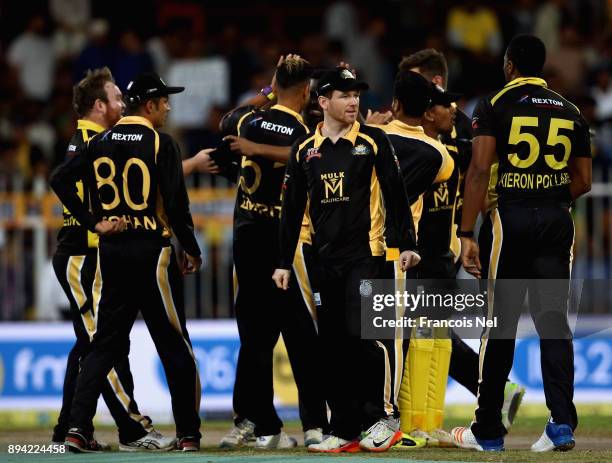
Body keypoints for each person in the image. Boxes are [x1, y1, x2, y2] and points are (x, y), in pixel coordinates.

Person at [50, 72, 203, 453]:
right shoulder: (160, 142)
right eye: (164, 101)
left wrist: (94, 221)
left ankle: (76, 429)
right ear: (150, 105)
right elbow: (177, 203)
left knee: (102, 346)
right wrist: (192, 248)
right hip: (152, 252)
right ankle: (187, 434)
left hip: (112, 253)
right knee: (173, 344)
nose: (168, 106)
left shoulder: (99, 140)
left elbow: (59, 179)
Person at [452, 34, 592, 452]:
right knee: (554, 324)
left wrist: (464, 233)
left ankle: (489, 431)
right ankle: (561, 424)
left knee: (499, 326)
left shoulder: (494, 105)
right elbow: (583, 181)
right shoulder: (571, 111)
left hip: (507, 222)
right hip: (555, 221)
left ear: (510, 65)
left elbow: (478, 171)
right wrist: (547, 199)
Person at [273, 67, 420, 453]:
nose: (354, 101)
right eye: (344, 95)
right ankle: (344, 428)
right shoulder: (305, 149)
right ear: (323, 102)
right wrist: (283, 262)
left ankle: (381, 419)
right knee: (333, 345)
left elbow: (395, 193)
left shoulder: (372, 141)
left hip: (365, 258)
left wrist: (406, 242)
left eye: (356, 94)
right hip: (325, 261)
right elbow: (290, 210)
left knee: (366, 337)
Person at [399, 49, 526, 433]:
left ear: (435, 84)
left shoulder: (458, 129)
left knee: (412, 330)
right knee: (428, 331)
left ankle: (409, 419)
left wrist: (468, 237)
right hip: (434, 245)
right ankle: (493, 391)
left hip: (433, 246)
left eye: (416, 83)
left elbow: (480, 180)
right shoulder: (454, 127)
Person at [216, 55, 328, 449]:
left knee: (255, 337)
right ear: (306, 92)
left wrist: (253, 141)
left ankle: (257, 423)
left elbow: (228, 120)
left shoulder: (250, 120)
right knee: (301, 337)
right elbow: (306, 156)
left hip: (246, 236)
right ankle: (311, 424)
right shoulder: (305, 131)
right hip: (285, 243)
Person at [368, 71, 455, 449]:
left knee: (352, 334)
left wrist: (373, 125)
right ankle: (390, 418)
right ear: (429, 110)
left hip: (352, 247)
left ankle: (349, 418)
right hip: (396, 252)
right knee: (393, 337)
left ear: (395, 104)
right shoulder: (440, 156)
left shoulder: (370, 138)